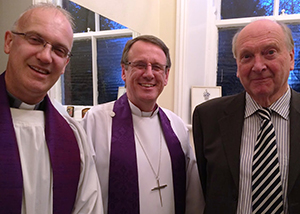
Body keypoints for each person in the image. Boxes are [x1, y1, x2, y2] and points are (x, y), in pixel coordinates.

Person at [82, 35, 204, 214]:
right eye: (140, 65)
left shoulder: (177, 126)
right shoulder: (96, 121)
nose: (149, 74)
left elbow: (193, 194)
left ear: (166, 75)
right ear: (124, 71)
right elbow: (83, 192)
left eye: (156, 67)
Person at [0, 3, 103, 213]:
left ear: (65, 65)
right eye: (36, 40)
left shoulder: (75, 136)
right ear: (9, 41)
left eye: (59, 50)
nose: (46, 57)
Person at [192, 19, 300, 213]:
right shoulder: (207, 117)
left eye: (270, 52)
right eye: (247, 56)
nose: (258, 66)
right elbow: (204, 190)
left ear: (291, 59)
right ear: (237, 66)